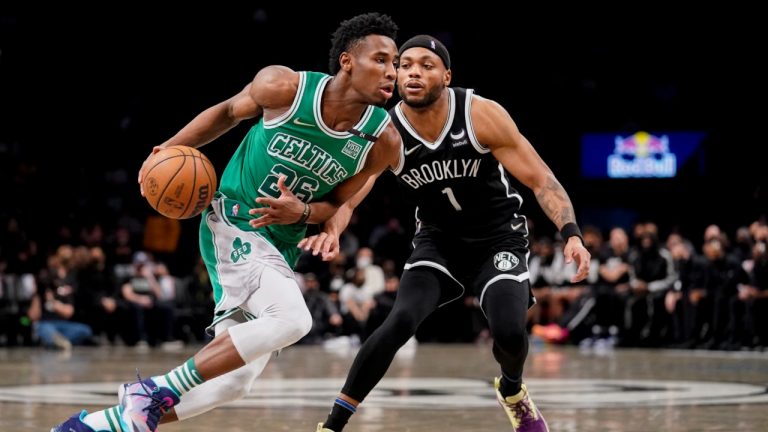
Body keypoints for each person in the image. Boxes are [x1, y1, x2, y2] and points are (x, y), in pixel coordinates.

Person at [50, 12, 401, 432]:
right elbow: (227, 113)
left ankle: (93, 427)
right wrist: (167, 149)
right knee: (294, 319)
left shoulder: (382, 139)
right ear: (347, 61)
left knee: (233, 383)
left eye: (396, 64)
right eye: (381, 60)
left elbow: (343, 203)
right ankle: (155, 389)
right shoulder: (286, 87)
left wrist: (315, 219)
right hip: (235, 222)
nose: (392, 73)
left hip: (282, 244)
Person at [304, 35, 591, 432]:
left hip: (498, 237)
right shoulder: (386, 131)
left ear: (446, 75)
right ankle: (333, 425)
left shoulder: (480, 114)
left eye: (426, 65)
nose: (413, 73)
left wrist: (571, 234)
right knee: (399, 320)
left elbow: (541, 180)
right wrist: (331, 229)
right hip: (438, 240)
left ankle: (512, 391)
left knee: (509, 331)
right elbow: (350, 197)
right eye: (405, 65)